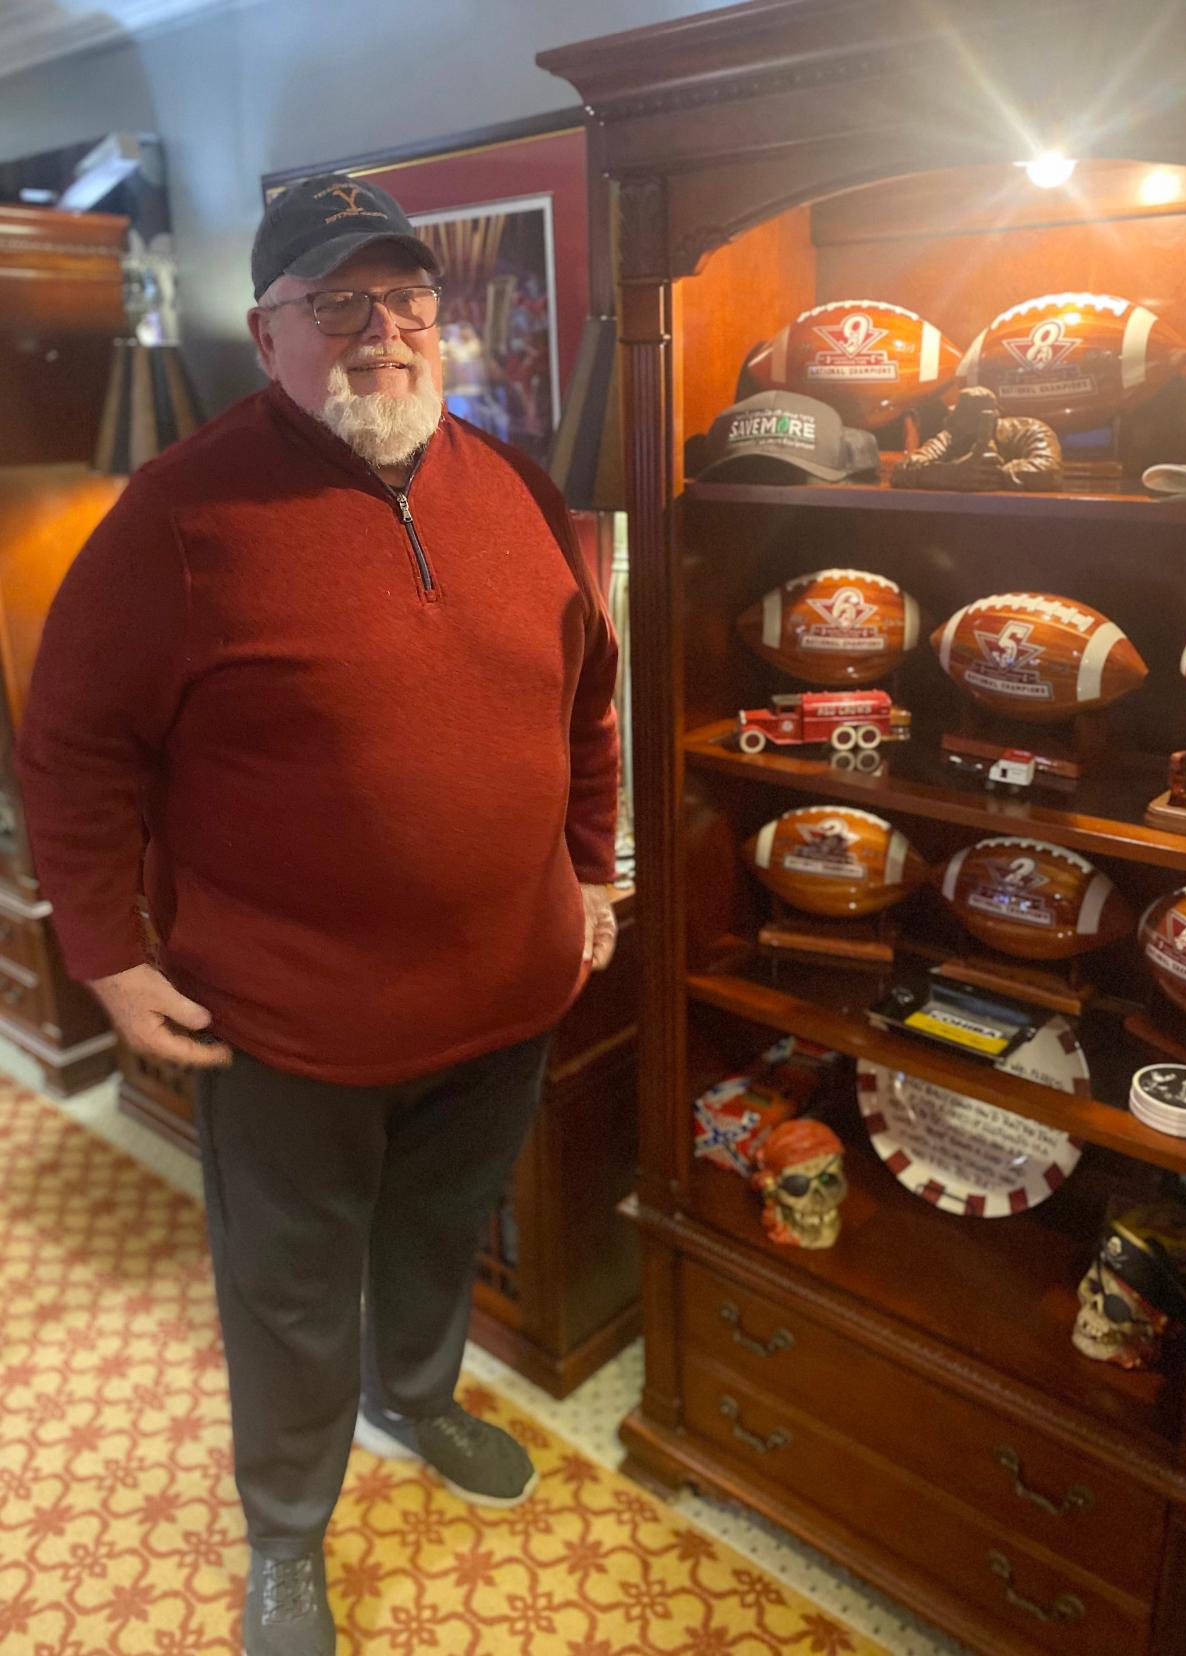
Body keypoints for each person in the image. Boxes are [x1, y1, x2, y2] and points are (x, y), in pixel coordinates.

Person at [17, 172, 620, 1656]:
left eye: (407, 299)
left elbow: (586, 709)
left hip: (502, 995)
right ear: (265, 328)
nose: (382, 332)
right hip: (285, 1018)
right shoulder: (177, 514)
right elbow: (75, 749)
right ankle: (287, 1536)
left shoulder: (514, 486)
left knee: (437, 1237)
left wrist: (591, 874)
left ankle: (409, 1400)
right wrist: (106, 954)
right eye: (336, 302)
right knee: (287, 1294)